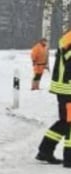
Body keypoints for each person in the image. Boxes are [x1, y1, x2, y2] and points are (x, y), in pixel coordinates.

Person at [36, 29, 71, 166]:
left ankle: (45, 150)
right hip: (68, 90)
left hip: (63, 89)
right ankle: (69, 159)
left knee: (64, 122)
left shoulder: (67, 39)